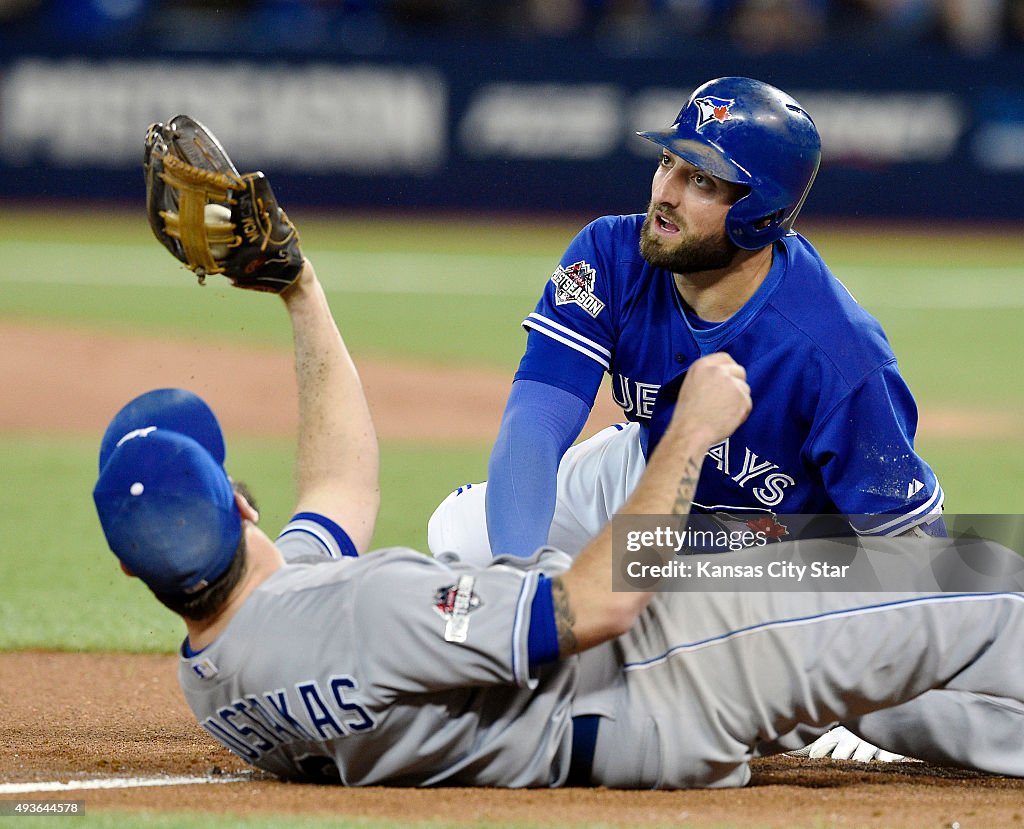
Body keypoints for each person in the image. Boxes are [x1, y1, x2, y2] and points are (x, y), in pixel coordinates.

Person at [93, 256, 1024, 789]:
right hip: (665, 674)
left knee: (882, 616)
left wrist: (301, 291)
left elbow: (339, 485)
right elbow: (590, 608)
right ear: (241, 503)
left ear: (144, 577)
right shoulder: (367, 609)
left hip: (641, 673)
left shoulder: (220, 669)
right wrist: (689, 435)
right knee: (967, 575)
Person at [426, 75, 947, 761]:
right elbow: (536, 422)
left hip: (777, 548)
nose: (665, 193)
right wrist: (524, 597)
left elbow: (917, 556)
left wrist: (857, 654)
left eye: (701, 180)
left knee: (693, 641)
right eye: (668, 162)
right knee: (462, 530)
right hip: (648, 477)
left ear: (758, 213)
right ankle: (585, 665)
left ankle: (822, 707)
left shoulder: (839, 355)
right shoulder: (611, 253)